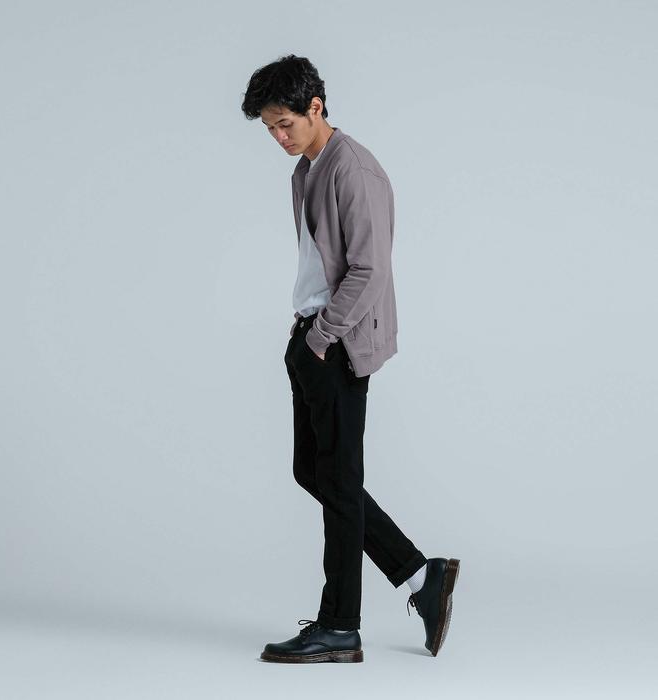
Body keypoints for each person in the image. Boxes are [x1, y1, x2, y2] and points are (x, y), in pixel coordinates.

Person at [241, 54, 460, 664]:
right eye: (269, 128)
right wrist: (305, 336)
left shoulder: (354, 170)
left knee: (337, 484)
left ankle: (341, 627)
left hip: (335, 343)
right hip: (311, 335)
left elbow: (369, 270)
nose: (279, 137)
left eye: (285, 124)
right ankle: (421, 575)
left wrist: (322, 338)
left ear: (316, 107)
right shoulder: (306, 171)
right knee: (315, 473)